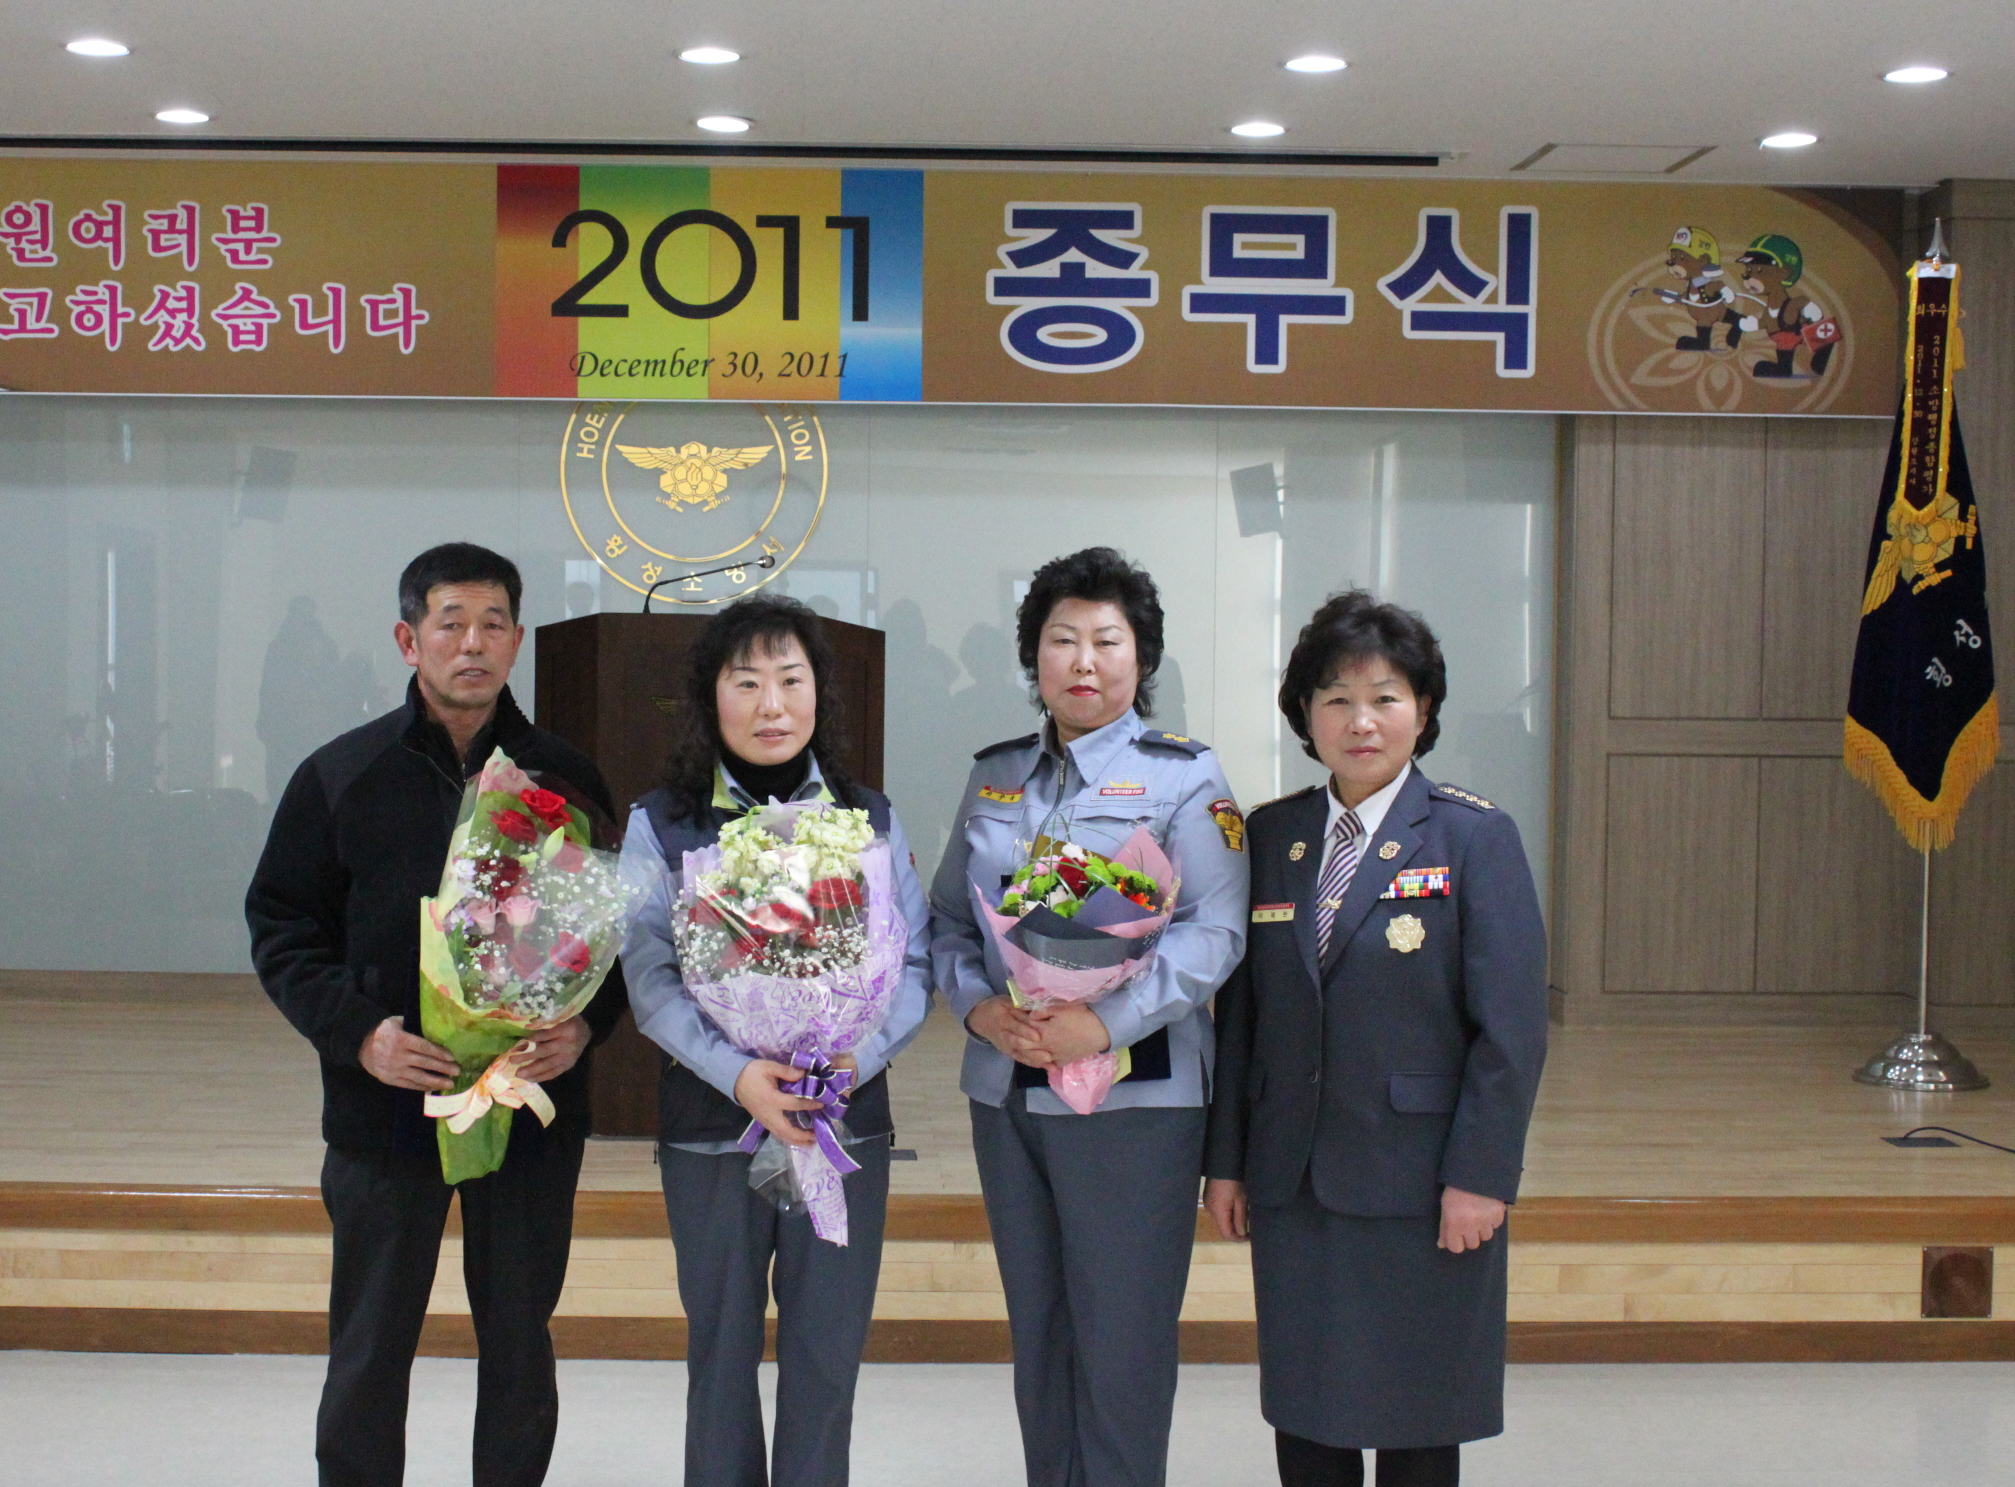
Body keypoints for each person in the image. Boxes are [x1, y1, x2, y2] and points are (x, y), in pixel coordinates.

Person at [246, 542, 627, 1487]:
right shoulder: (342, 774)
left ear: (518, 640)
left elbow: (618, 933)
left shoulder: (567, 777)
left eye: (494, 624)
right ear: (407, 639)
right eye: (451, 623)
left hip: (526, 1107)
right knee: (370, 1345)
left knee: (519, 1340)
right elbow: (283, 928)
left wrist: (585, 1027)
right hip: (386, 1105)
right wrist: (360, 1034)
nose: (473, 644)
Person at [1205, 590, 1547, 1487]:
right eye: (1337, 699)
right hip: (1293, 1178)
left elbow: (1511, 1033)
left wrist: (1483, 1175)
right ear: (1305, 715)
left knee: (1418, 1416)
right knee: (1306, 1409)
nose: (1361, 722)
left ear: (1423, 710)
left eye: (1385, 698)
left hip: (1421, 1181)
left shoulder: (1474, 836)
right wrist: (1227, 1163)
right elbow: (1243, 1021)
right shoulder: (1272, 835)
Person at [927, 546, 1248, 1487]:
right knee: (1040, 1333)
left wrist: (1104, 1025)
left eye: (1108, 641)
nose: (1084, 661)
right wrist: (979, 1011)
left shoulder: (1185, 776)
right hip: (1008, 1093)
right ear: (1033, 656)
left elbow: (1216, 932)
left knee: (1123, 1341)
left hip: (1136, 1100)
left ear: (1141, 658)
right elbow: (948, 919)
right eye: (1062, 639)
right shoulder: (996, 776)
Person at [618, 595, 934, 1487]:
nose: (771, 705)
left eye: (790, 680)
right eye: (746, 682)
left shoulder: (870, 818)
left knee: (827, 1356)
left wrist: (856, 1060)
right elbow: (650, 977)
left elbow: (912, 965)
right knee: (719, 1354)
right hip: (713, 1128)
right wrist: (738, 1075)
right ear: (709, 696)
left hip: (843, 1122)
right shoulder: (662, 821)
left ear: (819, 694)